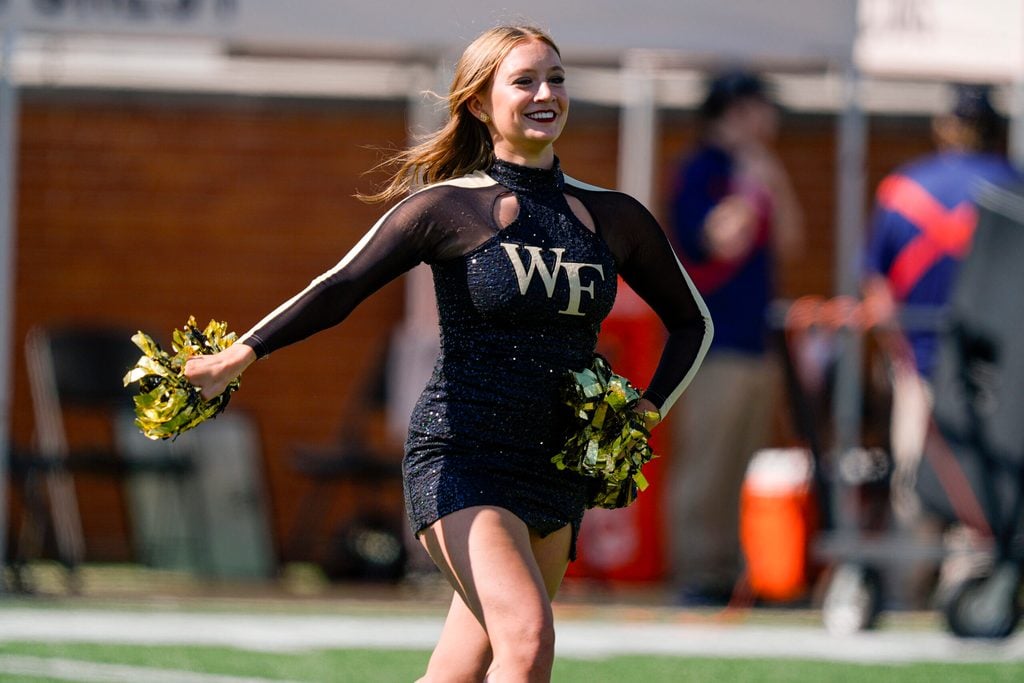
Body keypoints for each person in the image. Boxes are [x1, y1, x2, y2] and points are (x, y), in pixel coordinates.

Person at [184, 25, 712, 681]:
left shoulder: (615, 217)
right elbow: (340, 287)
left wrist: (644, 411)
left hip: (554, 467)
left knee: (462, 668)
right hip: (460, 458)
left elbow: (693, 322)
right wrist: (240, 354)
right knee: (527, 640)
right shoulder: (445, 208)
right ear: (480, 103)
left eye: (557, 77)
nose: (547, 93)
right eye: (525, 81)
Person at [862, 83, 1020, 608]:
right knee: (984, 478)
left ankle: (905, 594)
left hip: (919, 356)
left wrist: (896, 351)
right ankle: (966, 587)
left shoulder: (903, 188)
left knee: (914, 479)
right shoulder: (1012, 186)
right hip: (995, 365)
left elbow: (875, 284)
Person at [666, 69, 804, 605]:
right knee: (707, 463)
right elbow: (720, 241)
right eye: (760, 108)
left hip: (756, 339)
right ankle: (699, 572)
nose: (770, 119)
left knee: (744, 463)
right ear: (735, 112)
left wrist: (772, 180)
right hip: (711, 340)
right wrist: (750, 185)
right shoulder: (701, 169)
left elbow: (790, 241)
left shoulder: (758, 167)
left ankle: (733, 573)